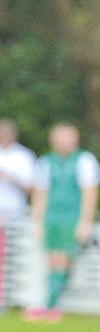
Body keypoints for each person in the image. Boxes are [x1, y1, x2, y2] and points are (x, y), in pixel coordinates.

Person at [24, 123, 100, 322]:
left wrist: (85, 222)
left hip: (71, 216)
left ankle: (50, 304)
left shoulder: (84, 160)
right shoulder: (46, 162)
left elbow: (90, 193)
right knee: (52, 260)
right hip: (52, 217)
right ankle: (50, 303)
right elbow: (40, 194)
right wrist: (38, 221)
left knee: (63, 259)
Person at [0, 119, 37, 310]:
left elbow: (31, 187)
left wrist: (9, 177)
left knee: (9, 260)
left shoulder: (24, 156)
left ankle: (5, 300)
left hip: (15, 214)